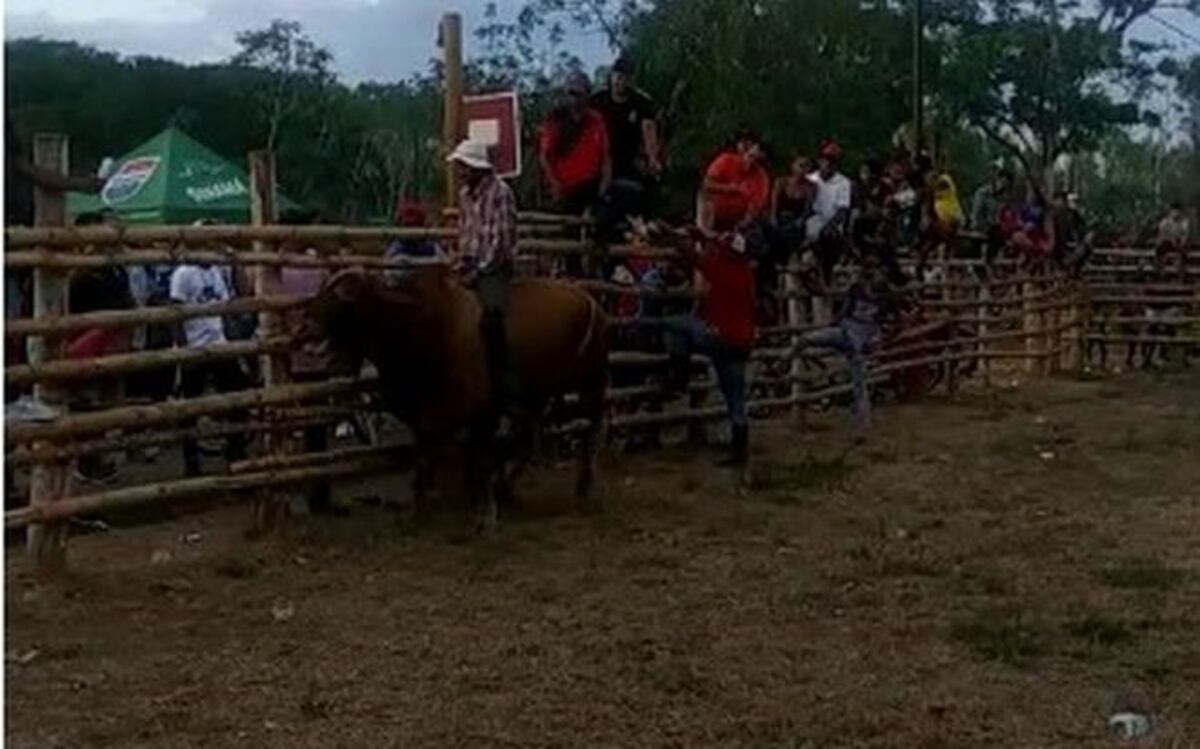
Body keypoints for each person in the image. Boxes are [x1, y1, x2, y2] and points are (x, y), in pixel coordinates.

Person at [658, 224, 757, 469]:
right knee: (735, 400)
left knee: (675, 325)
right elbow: (718, 246)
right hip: (741, 344)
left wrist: (671, 235)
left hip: (720, 338)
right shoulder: (744, 272)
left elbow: (692, 255)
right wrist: (703, 235)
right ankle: (739, 455)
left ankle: (678, 374)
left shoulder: (721, 269)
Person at [448, 139, 521, 430]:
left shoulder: (500, 192)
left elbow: (500, 242)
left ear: (477, 167)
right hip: (471, 263)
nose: (461, 171)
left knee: (491, 318)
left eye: (464, 166)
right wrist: (460, 264)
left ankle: (506, 391)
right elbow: (466, 236)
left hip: (494, 268)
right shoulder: (466, 195)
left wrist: (477, 272)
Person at [799, 255, 899, 440]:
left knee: (859, 386)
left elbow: (895, 321)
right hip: (847, 333)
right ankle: (783, 364)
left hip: (861, 341)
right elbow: (844, 307)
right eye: (866, 269)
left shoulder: (884, 293)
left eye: (871, 269)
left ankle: (861, 429)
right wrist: (835, 322)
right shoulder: (857, 289)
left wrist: (882, 339)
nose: (868, 273)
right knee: (805, 340)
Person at [169, 254, 252, 477]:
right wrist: (184, 348)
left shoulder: (215, 270)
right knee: (191, 407)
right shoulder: (183, 273)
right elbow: (175, 313)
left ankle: (236, 450)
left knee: (236, 399)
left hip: (218, 345)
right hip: (195, 347)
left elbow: (223, 308)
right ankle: (191, 460)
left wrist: (229, 337)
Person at [591, 53, 661, 227]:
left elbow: (649, 130)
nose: (620, 82)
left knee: (642, 186)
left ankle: (645, 222)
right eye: (618, 77)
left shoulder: (641, 102)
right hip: (600, 157)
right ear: (612, 76)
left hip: (628, 157)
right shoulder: (598, 100)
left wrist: (653, 158)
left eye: (625, 78)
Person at [698, 127, 770, 232]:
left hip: (737, 220)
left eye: (749, 143)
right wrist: (730, 188)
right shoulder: (725, 160)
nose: (745, 146)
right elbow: (707, 185)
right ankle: (704, 232)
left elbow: (755, 208)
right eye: (742, 142)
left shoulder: (762, 177)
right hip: (713, 210)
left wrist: (741, 226)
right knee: (704, 197)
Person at [806, 139, 853, 281]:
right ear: (820, 161)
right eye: (826, 160)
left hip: (833, 223)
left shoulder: (844, 182)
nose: (829, 164)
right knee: (813, 230)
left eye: (832, 161)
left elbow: (843, 210)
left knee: (829, 235)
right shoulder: (810, 179)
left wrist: (830, 225)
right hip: (813, 219)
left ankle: (826, 272)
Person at [384, 199, 441, 283]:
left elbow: (442, 264)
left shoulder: (430, 247)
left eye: (415, 225)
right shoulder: (396, 250)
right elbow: (391, 275)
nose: (411, 230)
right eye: (407, 226)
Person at [970, 166, 1015, 263]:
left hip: (994, 227)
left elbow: (1002, 214)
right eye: (1003, 182)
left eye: (1006, 185)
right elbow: (976, 213)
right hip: (982, 225)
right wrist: (981, 224)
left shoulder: (1003, 198)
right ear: (998, 179)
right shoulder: (982, 193)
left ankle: (991, 260)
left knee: (1005, 233)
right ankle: (987, 261)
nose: (1003, 186)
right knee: (997, 233)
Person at [1156, 202, 1191, 277]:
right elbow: (1161, 233)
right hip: (1168, 242)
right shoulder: (1165, 221)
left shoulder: (1184, 222)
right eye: (1173, 211)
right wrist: (1169, 238)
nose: (1175, 213)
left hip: (1178, 242)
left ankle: (1181, 272)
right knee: (1159, 248)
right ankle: (1161, 268)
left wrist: (1181, 242)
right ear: (1170, 212)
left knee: (1183, 251)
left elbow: (1185, 235)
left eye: (1177, 211)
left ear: (1180, 212)